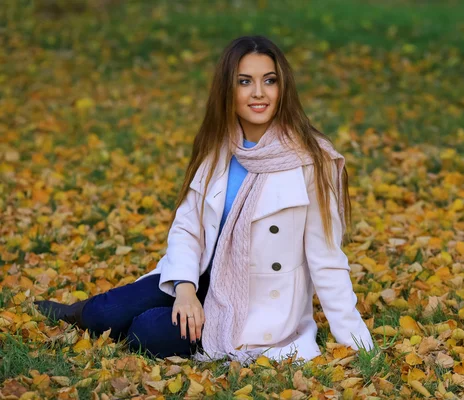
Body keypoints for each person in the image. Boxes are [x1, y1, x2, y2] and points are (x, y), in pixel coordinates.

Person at [35, 35, 374, 364]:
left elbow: (327, 259)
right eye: (245, 82)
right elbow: (188, 226)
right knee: (103, 312)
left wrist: (358, 343)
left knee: (147, 333)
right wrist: (184, 288)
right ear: (228, 90)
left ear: (282, 88)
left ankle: (154, 322)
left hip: (253, 303)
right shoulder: (220, 146)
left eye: (269, 81)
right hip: (201, 276)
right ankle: (85, 313)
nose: (259, 93)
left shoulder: (311, 161)